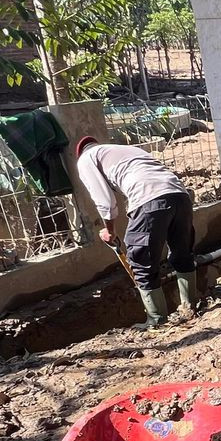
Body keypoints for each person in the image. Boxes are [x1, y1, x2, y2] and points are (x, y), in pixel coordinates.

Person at [75, 136, 198, 329]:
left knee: (142, 261)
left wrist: (110, 231)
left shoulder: (85, 159)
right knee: (183, 253)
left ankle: (157, 321)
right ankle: (191, 307)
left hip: (148, 198)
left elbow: (105, 201)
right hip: (179, 195)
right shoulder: (125, 151)